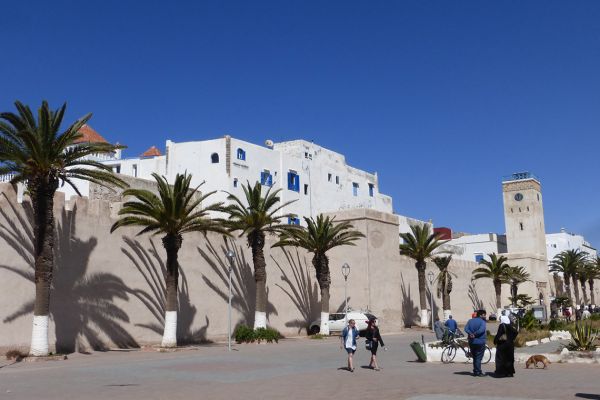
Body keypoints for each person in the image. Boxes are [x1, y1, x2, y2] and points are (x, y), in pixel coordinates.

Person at [464, 309, 487, 377]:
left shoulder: (470, 321)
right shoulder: (482, 322)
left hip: (472, 341)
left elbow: (466, 328)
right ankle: (478, 372)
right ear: (480, 315)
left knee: (474, 357)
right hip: (480, 341)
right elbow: (482, 330)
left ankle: (475, 371)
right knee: (478, 357)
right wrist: (475, 334)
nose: (485, 316)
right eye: (484, 315)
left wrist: (471, 333)